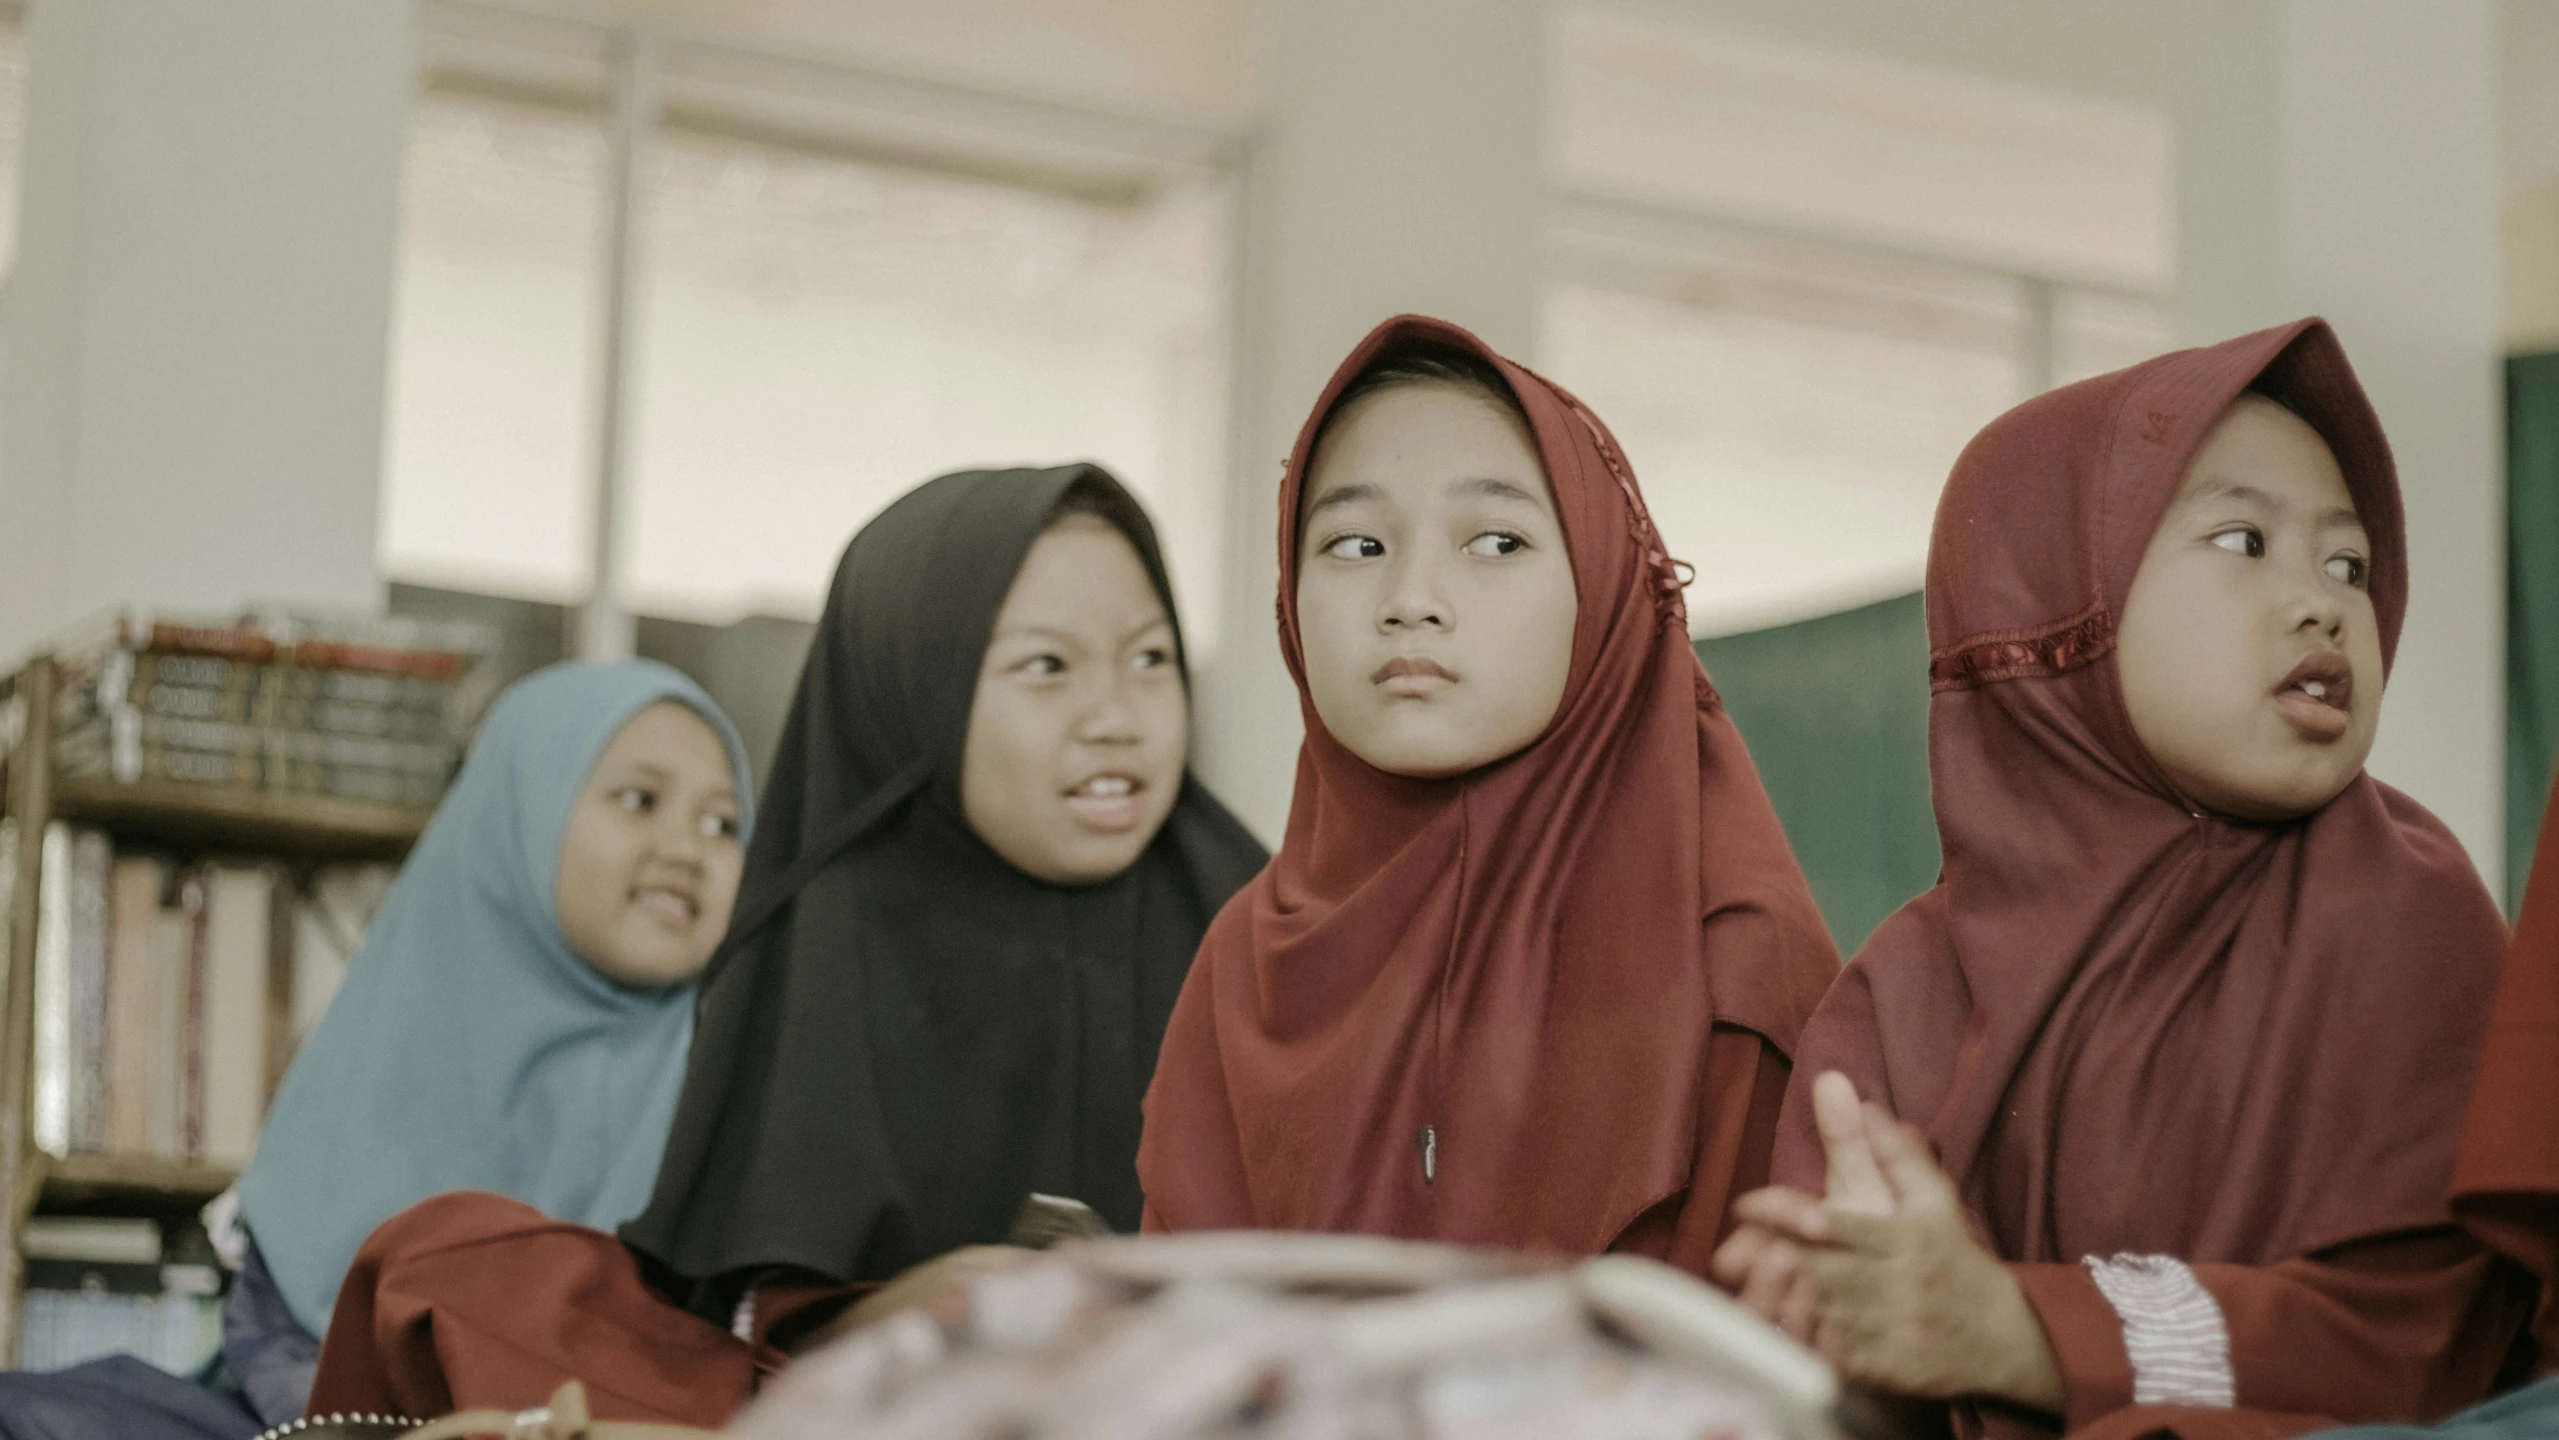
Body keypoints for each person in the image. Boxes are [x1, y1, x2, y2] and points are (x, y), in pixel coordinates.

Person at [306, 464, 1267, 1425]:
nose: (1116, 717)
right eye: (1047, 667)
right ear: (916, 687)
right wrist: (929, 1307)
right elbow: (747, 1327)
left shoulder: (1261, 925)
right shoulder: (835, 937)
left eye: (1150, 659)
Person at [1713, 319, 2530, 1440]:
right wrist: (1827, 1310)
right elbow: (1835, 1356)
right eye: (2244, 541)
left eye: (2349, 563)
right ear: (2054, 603)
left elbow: (2422, 1341)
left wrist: (2026, 1330)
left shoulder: (2408, 914)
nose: (2322, 602)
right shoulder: (1906, 988)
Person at [1136, 314, 1840, 1273]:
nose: (1412, 597)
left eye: (1498, 541)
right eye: (1353, 544)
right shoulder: (1252, 958)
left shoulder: (1729, 961)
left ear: (1604, 588)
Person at [0, 659, 754, 1440]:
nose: (685, 848)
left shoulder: (748, 1093)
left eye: (723, 823)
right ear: (518, 810)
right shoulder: (400, 1033)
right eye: (640, 800)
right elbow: (296, 1347)